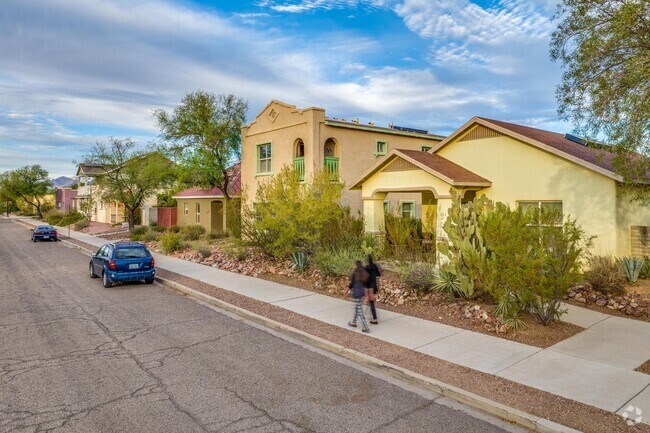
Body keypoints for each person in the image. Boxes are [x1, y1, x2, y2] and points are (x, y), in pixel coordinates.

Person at [348, 260, 370, 333]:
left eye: (354, 264)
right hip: (361, 292)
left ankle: (366, 327)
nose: (353, 266)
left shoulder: (355, 273)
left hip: (357, 293)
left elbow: (351, 284)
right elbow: (366, 285)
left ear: (356, 265)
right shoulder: (363, 273)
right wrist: (366, 295)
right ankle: (354, 322)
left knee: (360, 311)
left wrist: (345, 291)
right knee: (357, 308)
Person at [365, 255, 381, 324]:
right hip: (374, 286)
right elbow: (378, 275)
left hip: (369, 286)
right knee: (371, 302)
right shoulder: (375, 267)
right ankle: (373, 316)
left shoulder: (366, 268)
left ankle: (374, 318)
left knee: (371, 303)